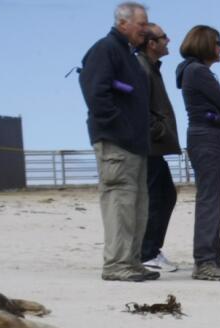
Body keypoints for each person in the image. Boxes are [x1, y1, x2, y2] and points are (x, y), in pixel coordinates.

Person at [79, 2, 155, 282]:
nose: (146, 30)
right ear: (123, 23)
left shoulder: (128, 54)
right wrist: (119, 126)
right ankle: (116, 264)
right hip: (116, 142)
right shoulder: (105, 49)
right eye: (142, 24)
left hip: (134, 144)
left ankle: (131, 261)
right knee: (119, 203)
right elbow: (95, 93)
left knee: (137, 206)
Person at [175, 24, 220, 281]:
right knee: (210, 199)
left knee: (213, 198)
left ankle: (212, 257)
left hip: (206, 137)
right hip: (207, 137)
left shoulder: (194, 71)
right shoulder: (198, 71)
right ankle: (205, 261)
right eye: (218, 43)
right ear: (205, 44)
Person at [139, 23, 180, 273]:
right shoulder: (142, 68)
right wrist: (158, 129)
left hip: (153, 146)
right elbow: (139, 108)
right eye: (164, 37)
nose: (168, 40)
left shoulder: (151, 67)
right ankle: (148, 252)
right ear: (151, 44)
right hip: (148, 146)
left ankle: (150, 249)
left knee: (165, 195)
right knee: (159, 197)